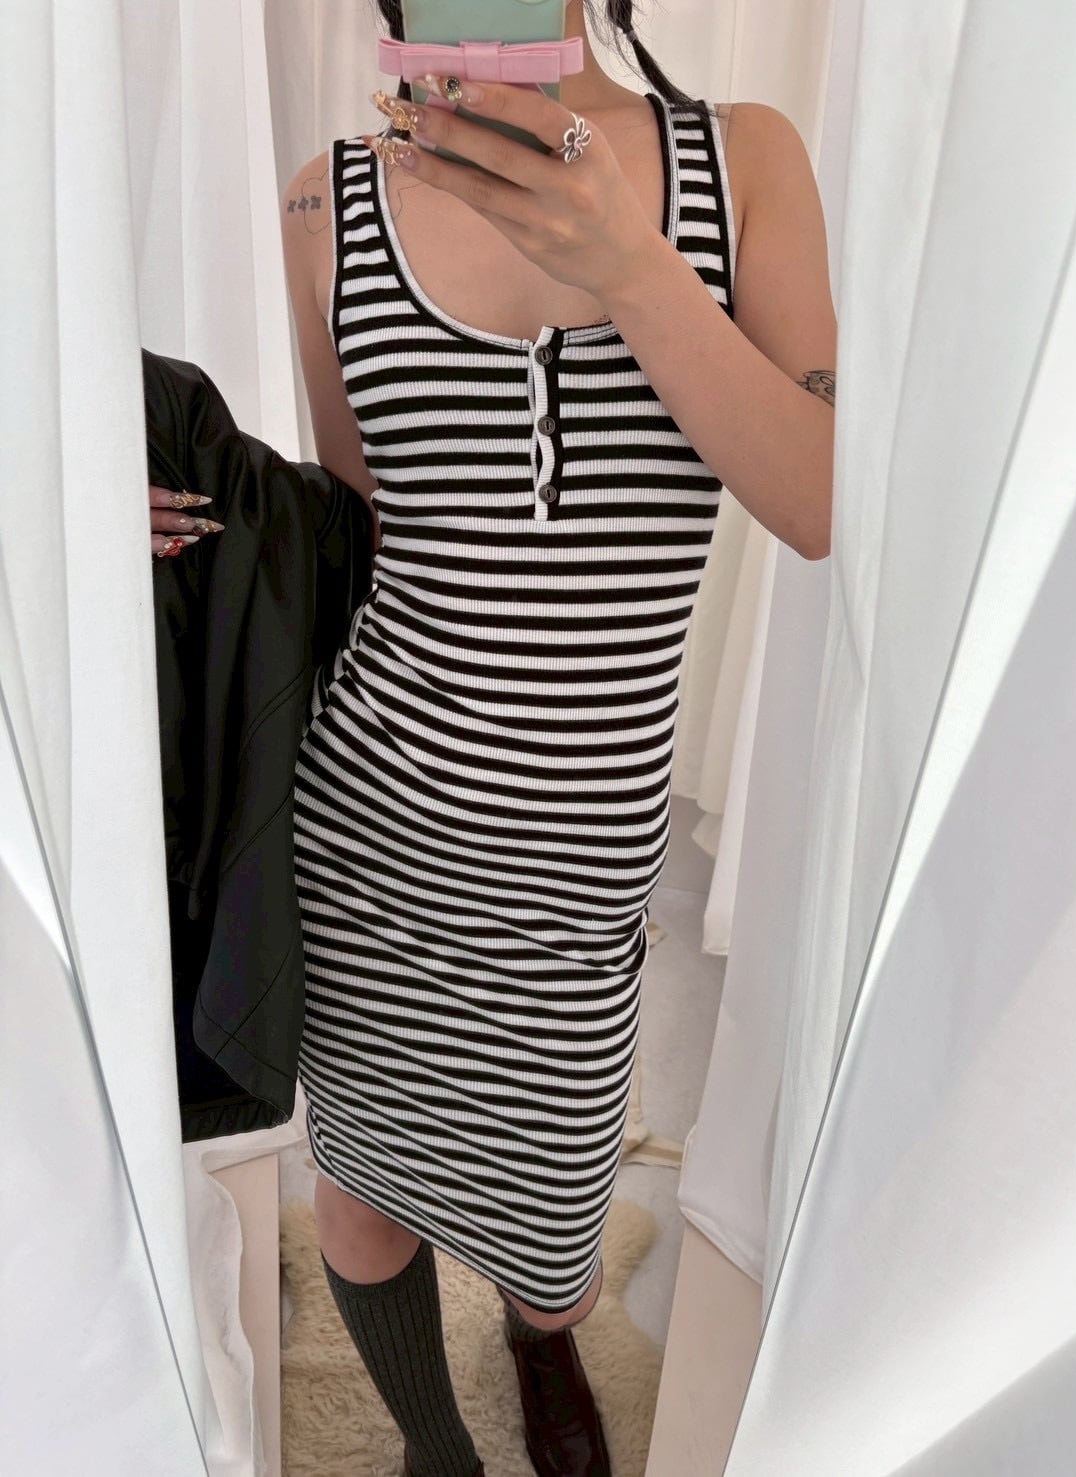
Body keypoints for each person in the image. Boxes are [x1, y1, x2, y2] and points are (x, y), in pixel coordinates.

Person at [152, 3, 836, 1473]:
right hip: (371, 820)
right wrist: (162, 514)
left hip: (584, 847)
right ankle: (433, 1444)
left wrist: (631, 263)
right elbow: (359, 530)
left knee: (558, 1215)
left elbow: (819, 498)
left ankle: (543, 1338)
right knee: (360, 1189)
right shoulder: (328, 203)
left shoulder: (746, 164)